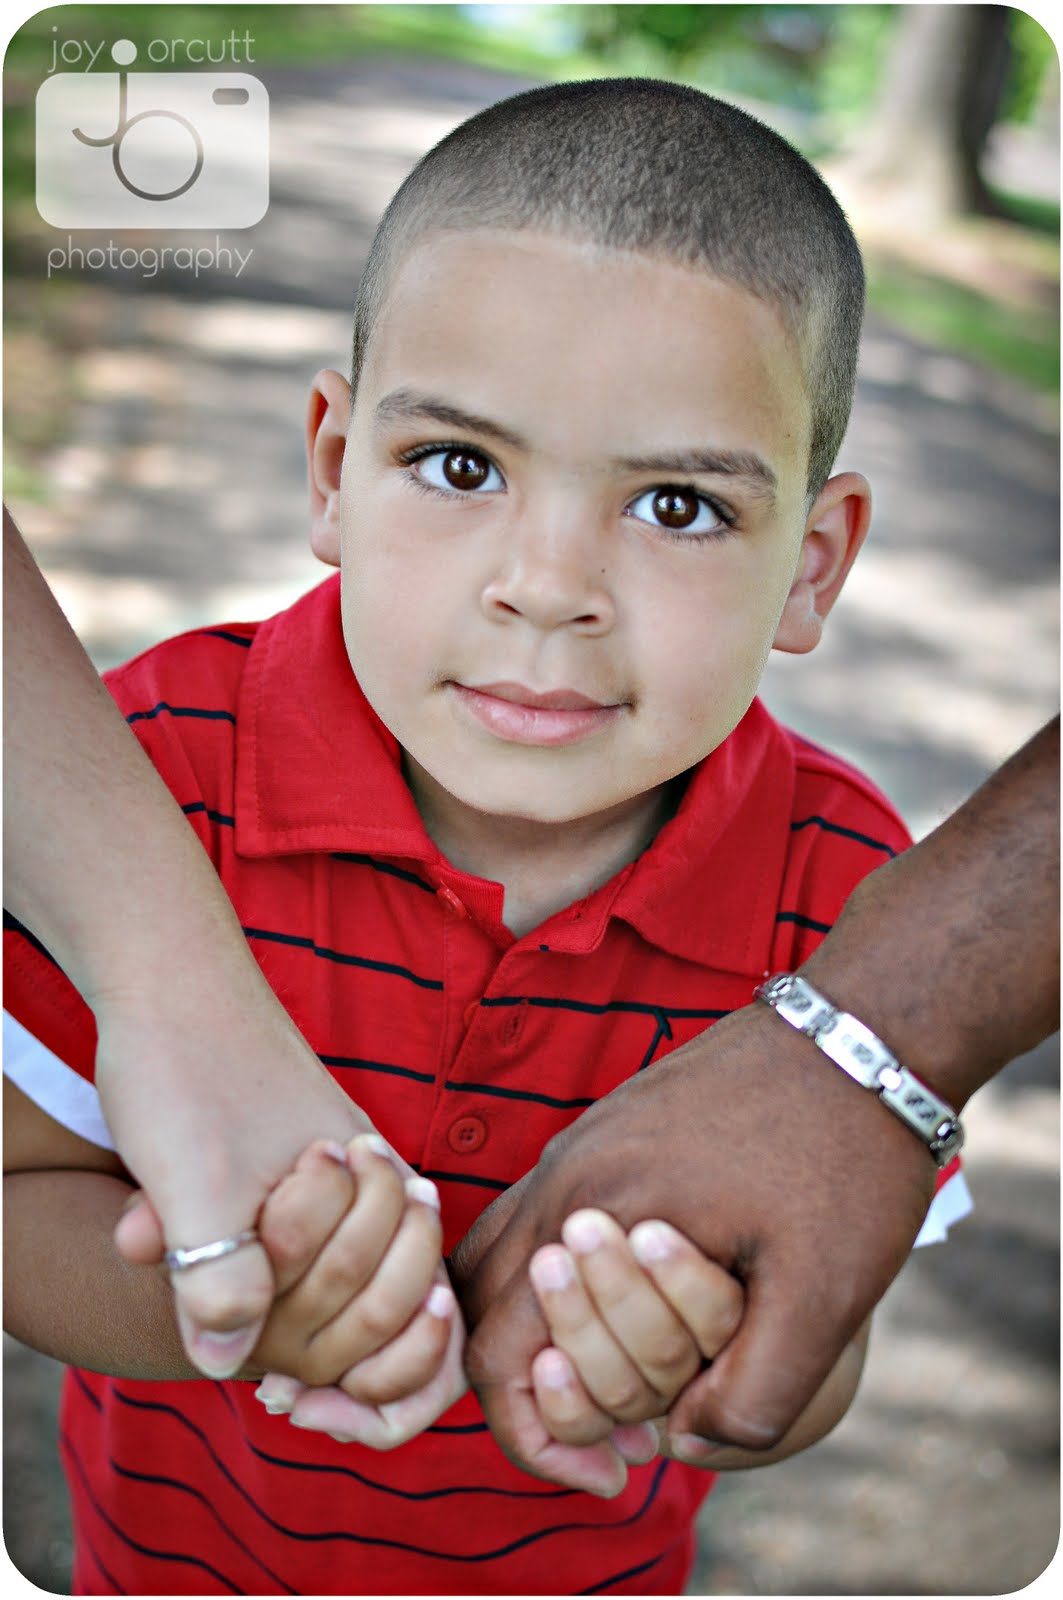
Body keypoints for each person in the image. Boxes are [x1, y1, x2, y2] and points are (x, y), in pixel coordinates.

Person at [3, 76, 979, 1593]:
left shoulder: (855, 901)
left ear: (814, 562)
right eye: (460, 468)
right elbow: (18, 1203)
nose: (548, 586)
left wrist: (695, 1348)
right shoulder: (146, 774)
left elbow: (820, 1357)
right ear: (334, 467)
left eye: (676, 506)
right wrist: (225, 1305)